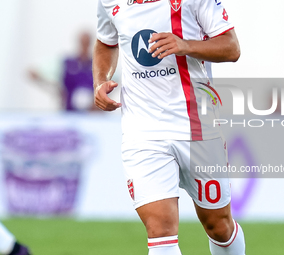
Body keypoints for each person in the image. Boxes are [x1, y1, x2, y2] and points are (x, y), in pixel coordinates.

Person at [93, 0, 245, 254]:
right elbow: (105, 42)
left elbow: (231, 48)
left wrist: (185, 45)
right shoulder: (109, 2)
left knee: (219, 226)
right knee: (160, 231)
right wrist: (101, 80)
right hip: (142, 132)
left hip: (198, 128)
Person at [29, 31, 97, 111]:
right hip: (68, 114)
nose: (84, 46)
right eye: (82, 42)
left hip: (92, 117)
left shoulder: (98, 66)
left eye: (87, 43)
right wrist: (58, 91)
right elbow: (35, 73)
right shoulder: (66, 63)